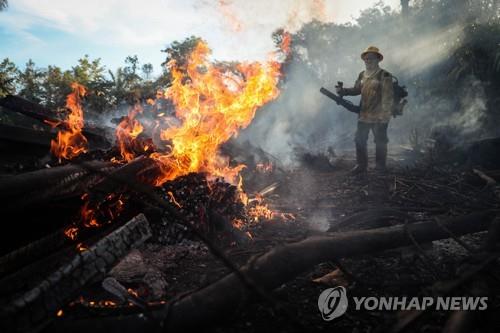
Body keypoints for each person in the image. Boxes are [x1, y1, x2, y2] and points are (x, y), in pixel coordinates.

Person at [336, 46, 394, 174]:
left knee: (380, 141)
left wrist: (385, 115)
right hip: (364, 115)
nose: (368, 60)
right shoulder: (362, 75)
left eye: (371, 58)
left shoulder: (384, 75)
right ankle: (361, 165)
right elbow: (357, 90)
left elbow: (387, 97)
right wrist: (343, 91)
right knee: (359, 139)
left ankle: (380, 166)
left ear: (378, 59)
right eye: (366, 58)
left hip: (379, 115)